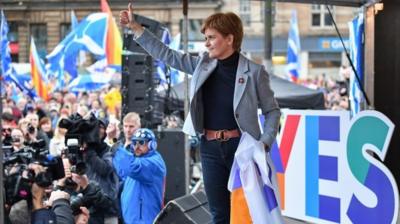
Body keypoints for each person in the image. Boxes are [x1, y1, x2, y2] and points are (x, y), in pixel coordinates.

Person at [120, 5, 281, 223]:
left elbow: (272, 110)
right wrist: (136, 29)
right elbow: (168, 55)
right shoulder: (201, 65)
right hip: (210, 149)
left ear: (230, 39)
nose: (206, 43)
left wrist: (265, 142)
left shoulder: (254, 72)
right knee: (219, 214)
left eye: (211, 37)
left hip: (242, 149)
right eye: (205, 37)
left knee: (247, 213)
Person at [112, 128, 166, 224]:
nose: (137, 147)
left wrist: (116, 147)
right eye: (134, 142)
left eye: (141, 143)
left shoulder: (155, 162)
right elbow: (122, 170)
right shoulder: (138, 159)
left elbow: (132, 167)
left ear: (151, 145)